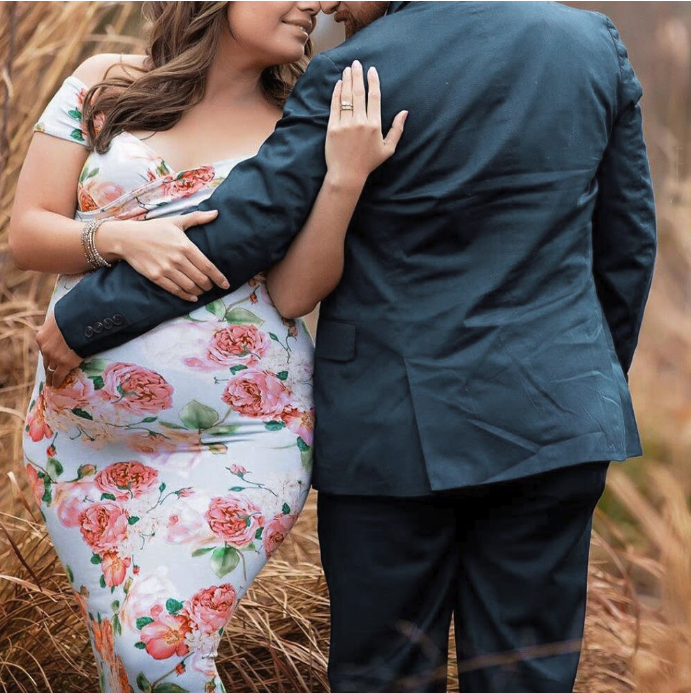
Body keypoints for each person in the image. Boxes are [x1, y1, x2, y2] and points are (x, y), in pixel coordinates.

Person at [32, 1, 657, 692]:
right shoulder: (588, 41)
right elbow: (627, 244)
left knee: (384, 675)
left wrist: (87, 317)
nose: (328, 2)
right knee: (525, 674)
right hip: (555, 423)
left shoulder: (355, 71)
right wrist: (585, 382)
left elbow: (244, 227)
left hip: (392, 432)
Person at [10, 2, 405, 692]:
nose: (314, 4)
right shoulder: (105, 83)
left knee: (155, 651)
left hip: (240, 438)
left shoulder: (300, 122)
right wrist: (120, 237)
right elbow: (28, 233)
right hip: (80, 443)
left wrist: (344, 178)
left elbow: (293, 292)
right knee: (122, 668)